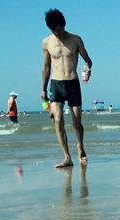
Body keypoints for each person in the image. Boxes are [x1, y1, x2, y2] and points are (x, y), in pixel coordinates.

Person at [41, 9, 93, 168]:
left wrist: (88, 68)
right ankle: (67, 157)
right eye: (55, 30)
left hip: (73, 83)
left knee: (77, 122)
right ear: (51, 29)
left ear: (64, 25)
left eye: (60, 29)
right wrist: (43, 89)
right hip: (56, 84)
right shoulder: (47, 42)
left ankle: (80, 147)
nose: (59, 33)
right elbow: (46, 67)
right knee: (57, 120)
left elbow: (88, 60)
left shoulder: (75, 39)